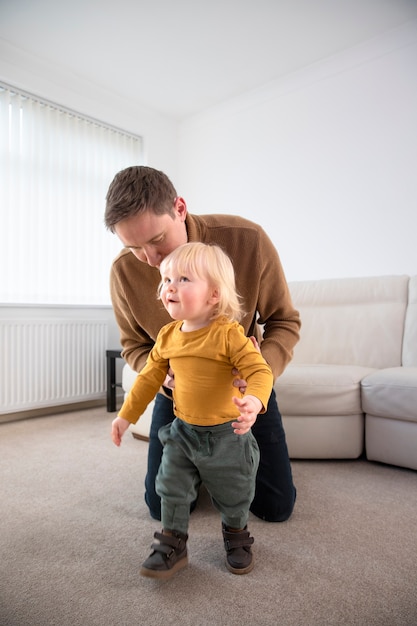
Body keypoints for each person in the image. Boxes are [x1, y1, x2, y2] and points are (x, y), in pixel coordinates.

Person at [105, 165, 301, 523]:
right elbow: (133, 346)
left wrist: (260, 376)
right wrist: (160, 378)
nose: (151, 260)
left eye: (156, 240)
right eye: (134, 247)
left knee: (275, 507)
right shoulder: (122, 271)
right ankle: (205, 469)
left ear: (180, 208)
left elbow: (285, 321)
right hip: (178, 395)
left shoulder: (248, 239)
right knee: (159, 505)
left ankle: (228, 467)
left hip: (241, 392)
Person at [112, 242, 274, 578]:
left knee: (235, 489)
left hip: (227, 434)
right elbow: (148, 378)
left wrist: (255, 402)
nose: (169, 286)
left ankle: (235, 533)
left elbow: (260, 371)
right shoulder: (167, 336)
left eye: (183, 279)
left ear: (213, 295)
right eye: (166, 279)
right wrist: (126, 415)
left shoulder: (229, 335)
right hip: (183, 430)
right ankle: (173, 542)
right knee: (170, 484)